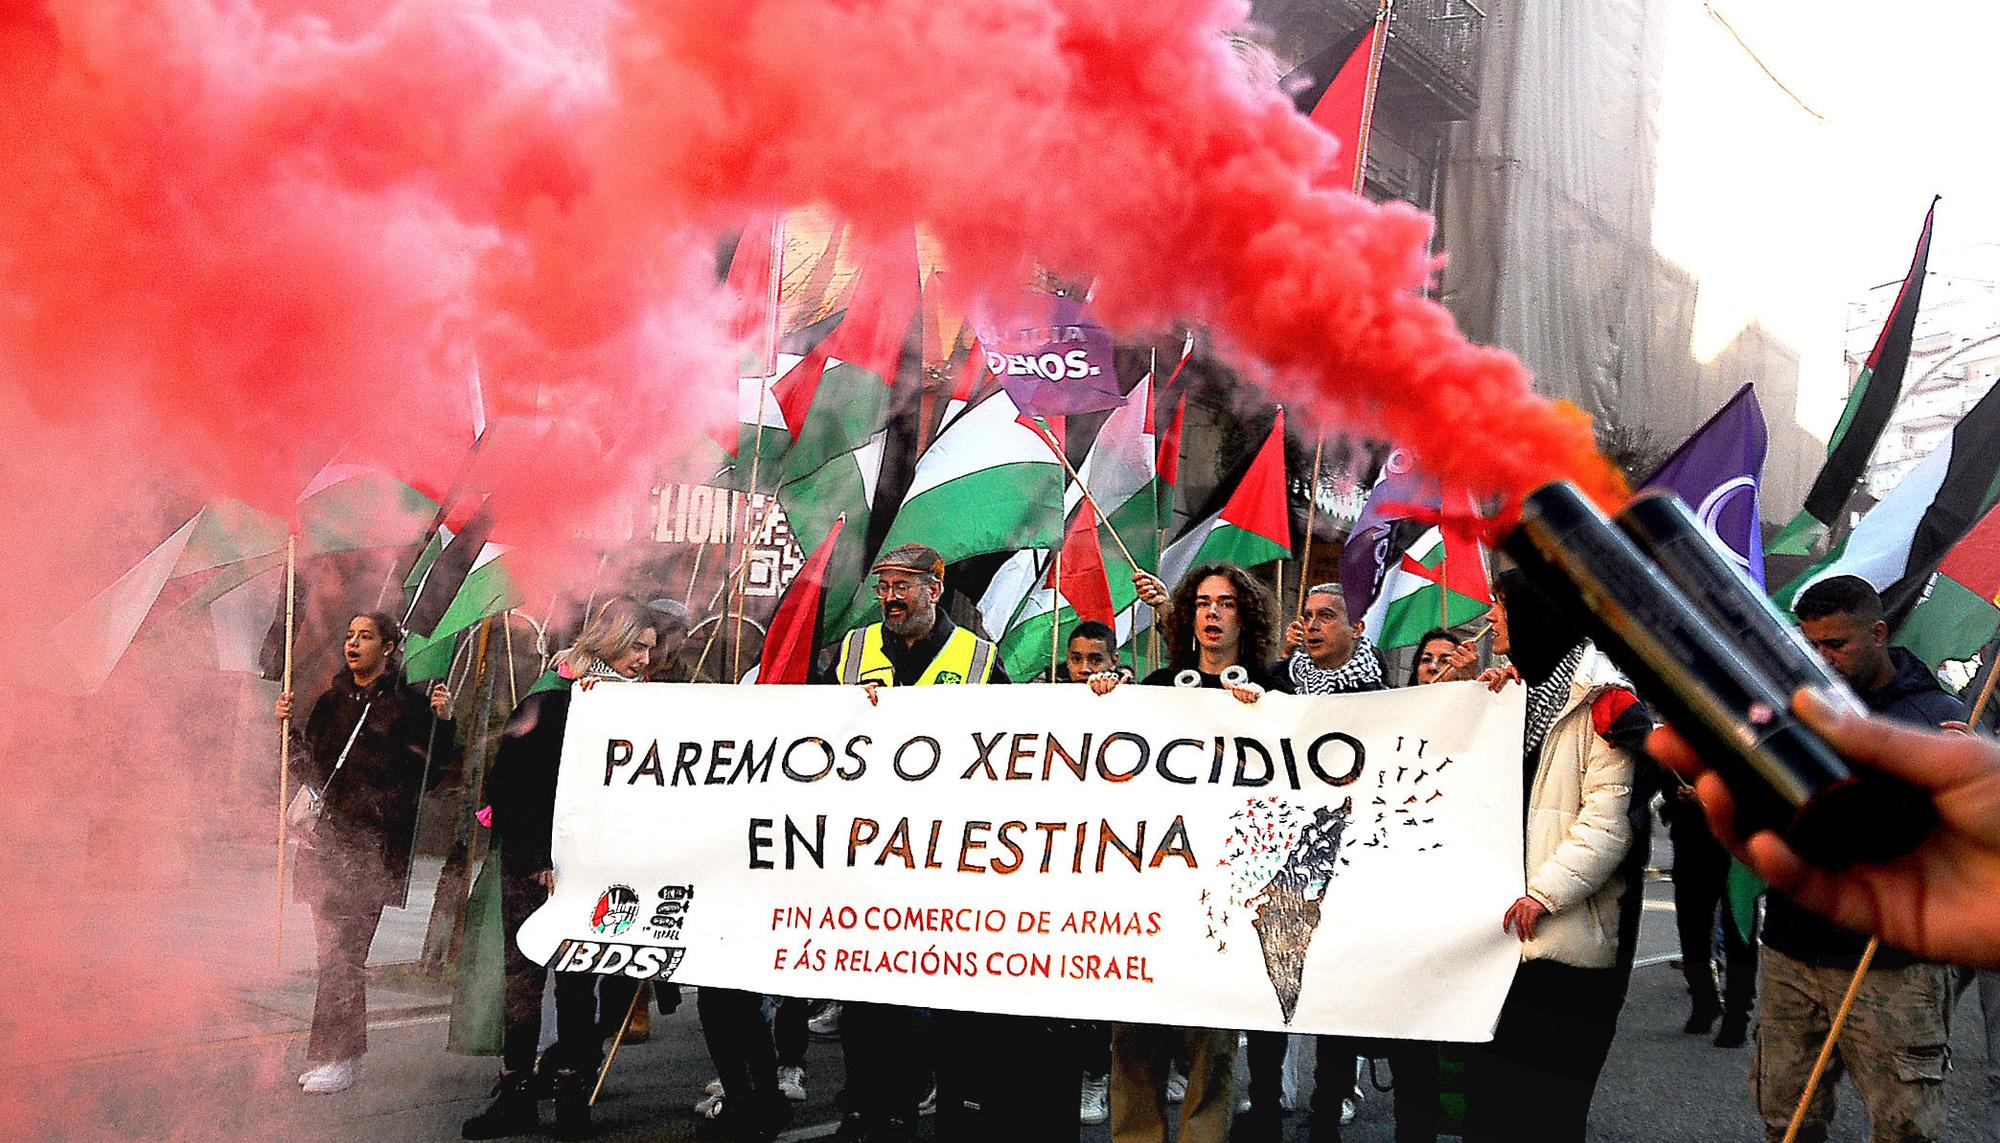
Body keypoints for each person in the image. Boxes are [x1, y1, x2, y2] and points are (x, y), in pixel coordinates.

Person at [813, 543, 1051, 1143]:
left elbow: (1008, 751)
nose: (889, 598)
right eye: (882, 586)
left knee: (944, 995)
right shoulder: (849, 653)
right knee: (864, 993)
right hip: (865, 854)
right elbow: (809, 741)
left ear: (934, 589)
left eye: (902, 585)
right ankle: (869, 1106)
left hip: (947, 860)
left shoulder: (978, 660)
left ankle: (951, 1107)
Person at [1735, 576, 1960, 1143]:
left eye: (1836, 645)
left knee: (1906, 1128)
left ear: (1878, 632)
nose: (1821, 659)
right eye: (1810, 645)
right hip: (1792, 949)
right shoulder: (1793, 707)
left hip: (1890, 960)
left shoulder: (1938, 717)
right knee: (1786, 1118)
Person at [462, 597, 662, 1141]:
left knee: (579, 982)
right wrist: (535, 862)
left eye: (650, 648)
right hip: (536, 867)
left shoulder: (640, 705)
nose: (645, 659)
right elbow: (512, 787)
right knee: (523, 979)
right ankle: (516, 1093)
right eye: (636, 646)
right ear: (609, 641)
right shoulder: (552, 699)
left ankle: (574, 1093)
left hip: (596, 867)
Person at [1462, 571, 1650, 1143]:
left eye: (1502, 608)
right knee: (1491, 1105)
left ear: (1537, 616)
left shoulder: (1606, 704)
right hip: (1502, 939)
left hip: (1564, 941)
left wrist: (1544, 894)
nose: (1492, 620)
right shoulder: (1521, 694)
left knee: (1548, 1106)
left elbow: (1607, 823)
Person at [1102, 563, 1275, 1143]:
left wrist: (1266, 717)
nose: (1212, 613)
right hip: (1150, 888)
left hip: (1223, 895)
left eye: (1225, 603)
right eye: (1202, 602)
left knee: (1211, 1042)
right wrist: (1104, 698)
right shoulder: (1157, 684)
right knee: (1134, 1037)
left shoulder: (1276, 690)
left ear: (1245, 614)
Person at [276, 612, 452, 1095]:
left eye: (366, 636)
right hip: (323, 846)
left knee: (344, 955)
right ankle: (338, 1054)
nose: (353, 643)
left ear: (390, 646)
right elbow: (306, 770)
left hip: (372, 852)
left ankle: (338, 1056)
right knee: (329, 953)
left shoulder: (408, 707)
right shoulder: (331, 701)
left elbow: (432, 777)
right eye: (349, 635)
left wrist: (444, 725)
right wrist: (287, 728)